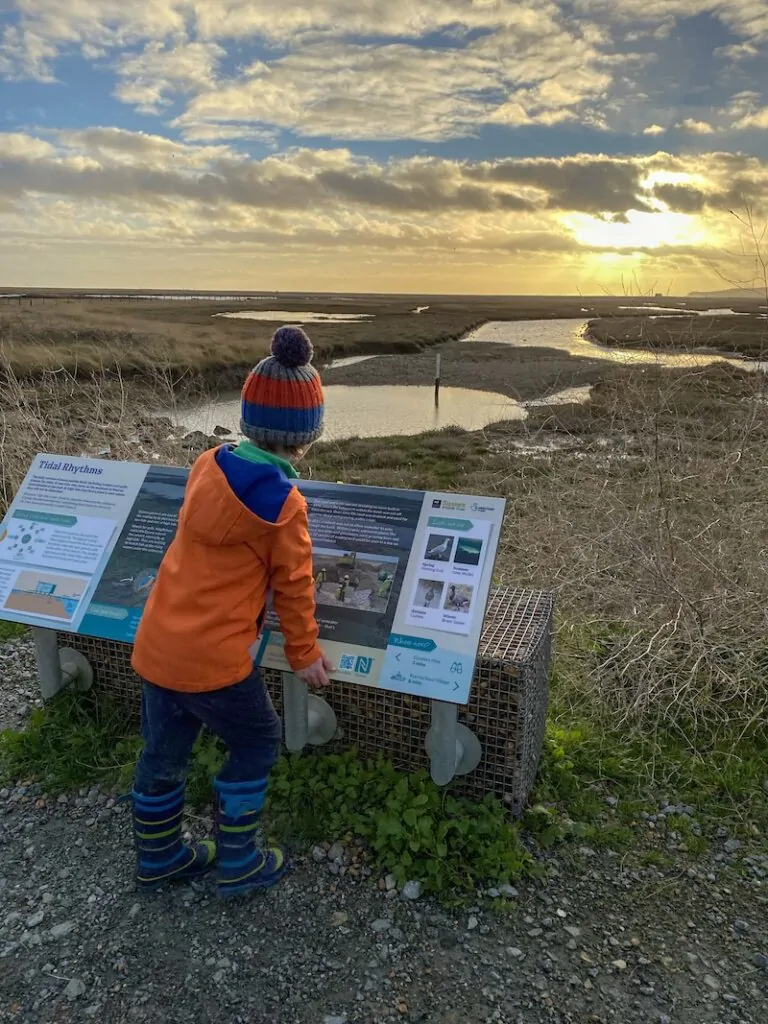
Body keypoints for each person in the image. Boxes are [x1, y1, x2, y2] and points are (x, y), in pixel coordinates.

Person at [130, 326, 333, 899]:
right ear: (305, 437)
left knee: (162, 754)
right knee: (258, 740)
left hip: (158, 644)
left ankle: (160, 857)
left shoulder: (206, 465)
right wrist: (304, 655)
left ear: (248, 420)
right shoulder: (284, 504)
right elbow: (294, 587)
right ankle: (239, 861)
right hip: (215, 659)